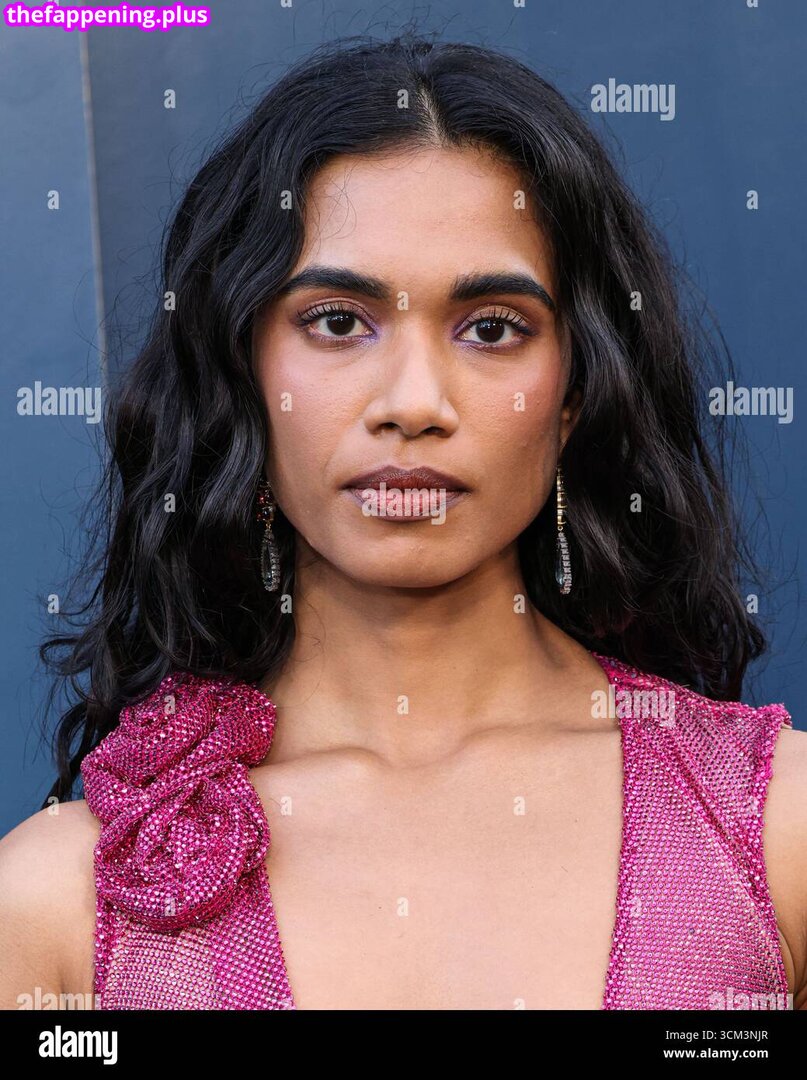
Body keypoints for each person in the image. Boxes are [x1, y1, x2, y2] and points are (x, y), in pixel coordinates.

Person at [1, 33, 805, 1012]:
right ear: (241, 376)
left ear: (573, 396)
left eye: (492, 328)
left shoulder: (776, 834)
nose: (414, 402)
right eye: (338, 322)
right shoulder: (52, 906)